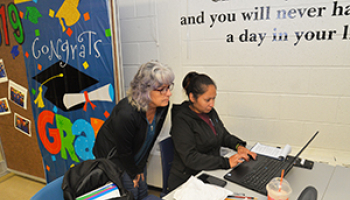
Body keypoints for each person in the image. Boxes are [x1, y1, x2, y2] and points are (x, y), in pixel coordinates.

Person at [93, 61, 175, 200]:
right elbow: (123, 151)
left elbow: (151, 138)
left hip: (133, 155)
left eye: (169, 88)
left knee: (142, 189)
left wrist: (141, 166)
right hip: (116, 158)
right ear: (145, 90)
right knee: (131, 191)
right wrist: (133, 173)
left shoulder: (162, 105)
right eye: (162, 89)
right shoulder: (127, 113)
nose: (169, 93)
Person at [167, 71, 257, 191]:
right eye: (207, 100)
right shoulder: (182, 120)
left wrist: (238, 145)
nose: (212, 104)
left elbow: (223, 135)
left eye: (214, 99)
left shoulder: (209, 112)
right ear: (192, 97)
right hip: (188, 181)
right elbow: (190, 158)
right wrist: (226, 162)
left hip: (209, 174)